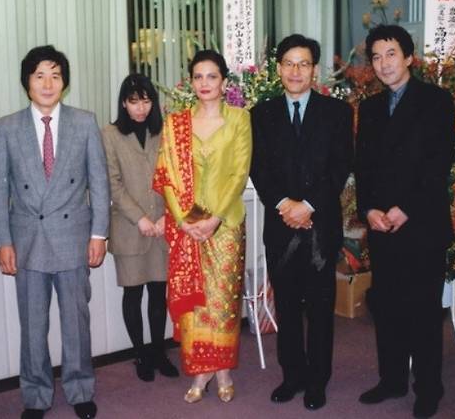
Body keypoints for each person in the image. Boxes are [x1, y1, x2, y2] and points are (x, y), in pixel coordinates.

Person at [0, 45, 109, 419]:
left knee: (76, 322)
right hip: (27, 241)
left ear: (64, 83)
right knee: (32, 324)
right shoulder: (6, 127)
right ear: (27, 82)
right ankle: (36, 395)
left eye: (55, 76)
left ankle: (80, 388)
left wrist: (99, 235)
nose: (47, 83)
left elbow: (99, 182)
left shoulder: (84, 122)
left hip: (73, 236)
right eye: (39, 75)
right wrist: (3, 241)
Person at [355, 25, 455, 419]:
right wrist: (368, 209)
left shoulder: (436, 101)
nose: (384, 64)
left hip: (422, 223)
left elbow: (438, 162)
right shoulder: (370, 108)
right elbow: (363, 167)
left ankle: (429, 388)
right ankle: (392, 380)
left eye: (391, 54)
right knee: (387, 307)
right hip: (382, 225)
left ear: (409, 57)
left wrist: (405, 208)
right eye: (376, 57)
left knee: (423, 311)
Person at [250, 34, 353, 411]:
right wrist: (285, 205)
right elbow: (258, 167)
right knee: (288, 306)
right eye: (289, 63)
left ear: (314, 69)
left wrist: (307, 205)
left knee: (321, 309)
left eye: (304, 64)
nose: (296, 71)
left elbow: (340, 166)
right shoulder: (261, 114)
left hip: (320, 225)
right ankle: (292, 375)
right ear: (278, 69)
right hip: (281, 226)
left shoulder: (337, 112)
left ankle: (317, 380)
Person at [153, 50, 252, 404]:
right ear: (191, 82)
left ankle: (222, 371)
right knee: (196, 305)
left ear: (224, 82)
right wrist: (184, 220)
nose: (205, 83)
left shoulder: (239, 118)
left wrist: (215, 218)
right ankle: (199, 372)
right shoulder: (176, 124)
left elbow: (239, 173)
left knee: (223, 301)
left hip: (226, 224)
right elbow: (166, 174)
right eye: (198, 76)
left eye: (212, 76)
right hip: (189, 226)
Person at [101, 74, 179, 382]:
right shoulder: (109, 134)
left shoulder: (165, 131)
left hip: (162, 225)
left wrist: (166, 216)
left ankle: (159, 352)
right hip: (129, 228)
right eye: (134, 102)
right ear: (124, 103)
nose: (141, 108)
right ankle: (140, 354)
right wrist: (140, 218)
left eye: (146, 101)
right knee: (133, 294)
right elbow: (112, 183)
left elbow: (176, 177)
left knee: (159, 293)